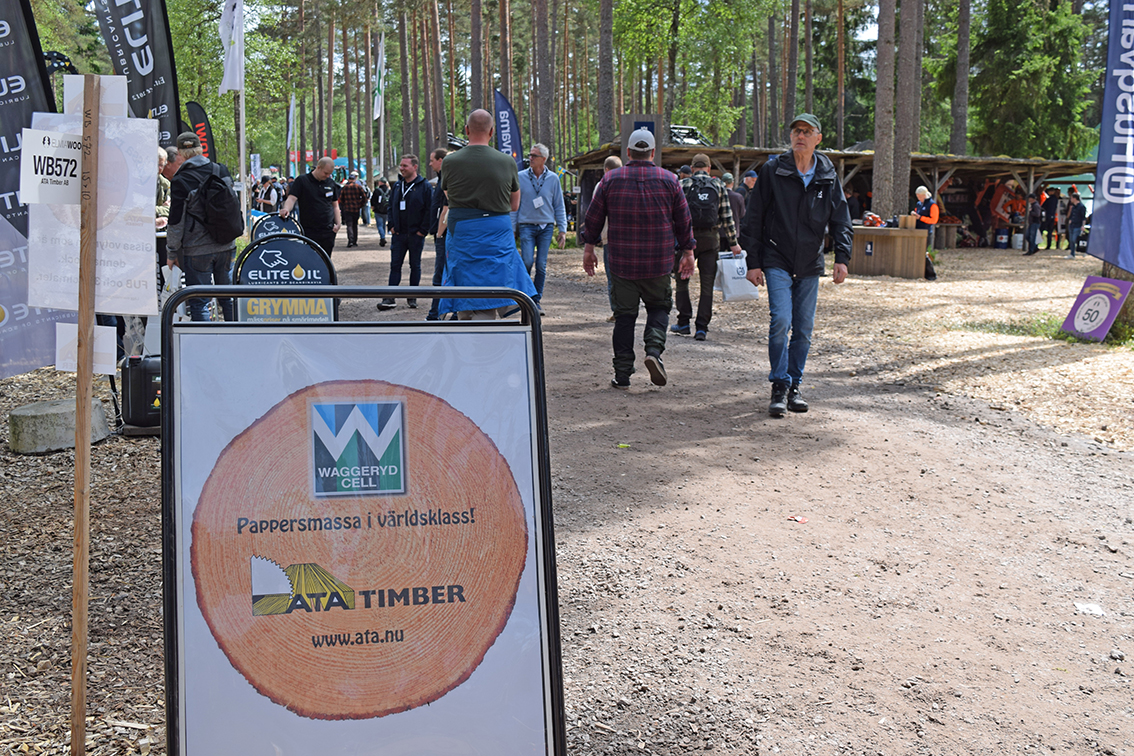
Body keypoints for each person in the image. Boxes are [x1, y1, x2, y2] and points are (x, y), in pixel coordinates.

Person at [740, 113, 852, 417]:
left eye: (807, 131)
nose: (800, 136)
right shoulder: (773, 170)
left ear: (818, 138)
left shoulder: (827, 173)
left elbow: (841, 218)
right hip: (776, 256)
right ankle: (779, 384)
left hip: (810, 261)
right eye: (795, 131)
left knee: (803, 328)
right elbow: (753, 217)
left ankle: (794, 386)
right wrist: (753, 262)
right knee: (781, 320)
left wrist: (842, 257)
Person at [581, 127, 695, 389]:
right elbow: (684, 220)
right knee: (659, 308)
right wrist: (688, 252)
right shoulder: (670, 180)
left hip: (622, 263)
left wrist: (589, 248)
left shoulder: (610, 180)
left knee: (624, 317)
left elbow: (593, 217)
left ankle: (622, 374)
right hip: (658, 262)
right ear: (653, 153)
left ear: (628, 152)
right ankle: (653, 351)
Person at [437, 109, 536, 320]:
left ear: (466, 130)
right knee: (495, 276)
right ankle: (487, 317)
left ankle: (466, 317)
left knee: (463, 275)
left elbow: (449, 196)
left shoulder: (450, 162)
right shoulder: (507, 161)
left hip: (462, 228)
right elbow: (514, 205)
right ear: (492, 132)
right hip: (496, 228)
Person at [165, 131, 238, 322]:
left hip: (197, 249)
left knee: (200, 302)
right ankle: (236, 337)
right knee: (228, 298)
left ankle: (205, 341)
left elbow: (176, 221)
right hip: (226, 245)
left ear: (180, 153)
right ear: (201, 148)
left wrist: (172, 252)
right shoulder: (221, 170)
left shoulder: (181, 180)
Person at [672, 153, 742, 341]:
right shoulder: (719, 185)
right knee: (707, 284)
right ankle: (702, 327)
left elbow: (673, 215)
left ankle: (683, 322)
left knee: (682, 280)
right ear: (709, 169)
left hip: (687, 239)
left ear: (692, 168)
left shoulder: (682, 184)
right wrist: (733, 243)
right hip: (711, 240)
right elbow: (727, 217)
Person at [513, 143, 567, 313]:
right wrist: (512, 228)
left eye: (534, 156)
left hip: (546, 227)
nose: (530, 158)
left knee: (541, 265)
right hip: (526, 225)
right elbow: (514, 205)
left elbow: (559, 205)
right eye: (530, 155)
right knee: (527, 262)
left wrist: (563, 230)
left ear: (543, 159)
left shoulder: (553, 179)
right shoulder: (520, 177)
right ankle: (525, 297)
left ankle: (536, 301)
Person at [378, 155, 431, 310]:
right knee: (395, 265)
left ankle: (413, 296)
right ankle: (390, 298)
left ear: (415, 167)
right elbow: (390, 206)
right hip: (399, 234)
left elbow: (429, 210)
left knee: (415, 265)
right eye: (401, 165)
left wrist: (422, 231)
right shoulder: (397, 185)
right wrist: (391, 225)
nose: (401, 168)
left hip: (416, 235)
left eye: (405, 166)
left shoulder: (424, 186)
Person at [280, 156, 341, 255]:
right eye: (325, 173)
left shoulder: (331, 183)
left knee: (325, 258)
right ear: (318, 167)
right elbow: (291, 198)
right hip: (309, 229)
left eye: (330, 174)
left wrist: (338, 223)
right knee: (310, 257)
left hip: (328, 230)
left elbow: (335, 205)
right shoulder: (302, 181)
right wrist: (286, 209)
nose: (327, 176)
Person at [426, 148, 449, 321]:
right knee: (442, 273)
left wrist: (440, 234)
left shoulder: (447, 179)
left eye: (432, 160)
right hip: (441, 233)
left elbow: (447, 208)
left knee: (440, 274)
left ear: (441, 160)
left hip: (445, 234)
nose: (430, 164)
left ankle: (435, 314)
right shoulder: (442, 179)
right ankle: (438, 313)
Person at [338, 171, 370, 248]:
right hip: (356, 209)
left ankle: (350, 240)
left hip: (347, 209)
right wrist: (360, 205)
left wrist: (344, 205)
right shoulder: (358, 187)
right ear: (354, 179)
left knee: (349, 225)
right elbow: (365, 198)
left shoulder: (345, 188)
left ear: (349, 179)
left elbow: (340, 199)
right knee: (355, 225)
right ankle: (355, 241)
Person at [913, 186, 939, 250]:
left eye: (920, 197)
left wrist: (921, 218)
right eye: (917, 197)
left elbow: (934, 220)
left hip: (926, 232)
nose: (919, 198)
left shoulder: (932, 205)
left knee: (925, 251)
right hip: (917, 231)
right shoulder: (918, 204)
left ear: (925, 195)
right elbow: (917, 212)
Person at [1064, 192, 1086, 258]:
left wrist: (1083, 225)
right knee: (1071, 240)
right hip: (1072, 225)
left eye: (1071, 198)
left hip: (1078, 225)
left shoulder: (1081, 207)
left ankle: (1081, 250)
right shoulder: (1073, 207)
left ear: (1075, 198)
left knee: (1074, 239)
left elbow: (1083, 217)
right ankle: (1072, 254)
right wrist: (1070, 220)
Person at [370, 178, 390, 247]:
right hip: (387, 210)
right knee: (383, 224)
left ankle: (382, 237)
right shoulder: (389, 191)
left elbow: (373, 200)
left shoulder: (377, 191)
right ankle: (383, 236)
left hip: (378, 211)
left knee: (379, 225)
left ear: (381, 182)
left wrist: (373, 207)